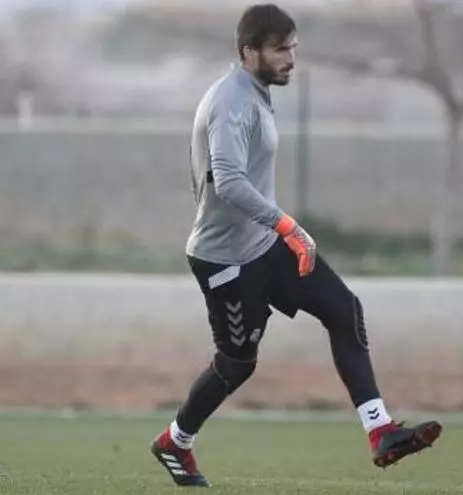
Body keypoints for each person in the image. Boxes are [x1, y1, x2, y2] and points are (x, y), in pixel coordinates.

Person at [150, 4, 442, 487]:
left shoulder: (254, 91)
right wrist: (289, 226)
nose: (291, 58)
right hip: (225, 260)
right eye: (280, 49)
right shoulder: (231, 100)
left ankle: (380, 431)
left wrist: (279, 230)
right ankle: (174, 443)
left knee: (343, 310)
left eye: (293, 48)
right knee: (236, 365)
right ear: (249, 52)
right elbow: (227, 181)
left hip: (265, 243)